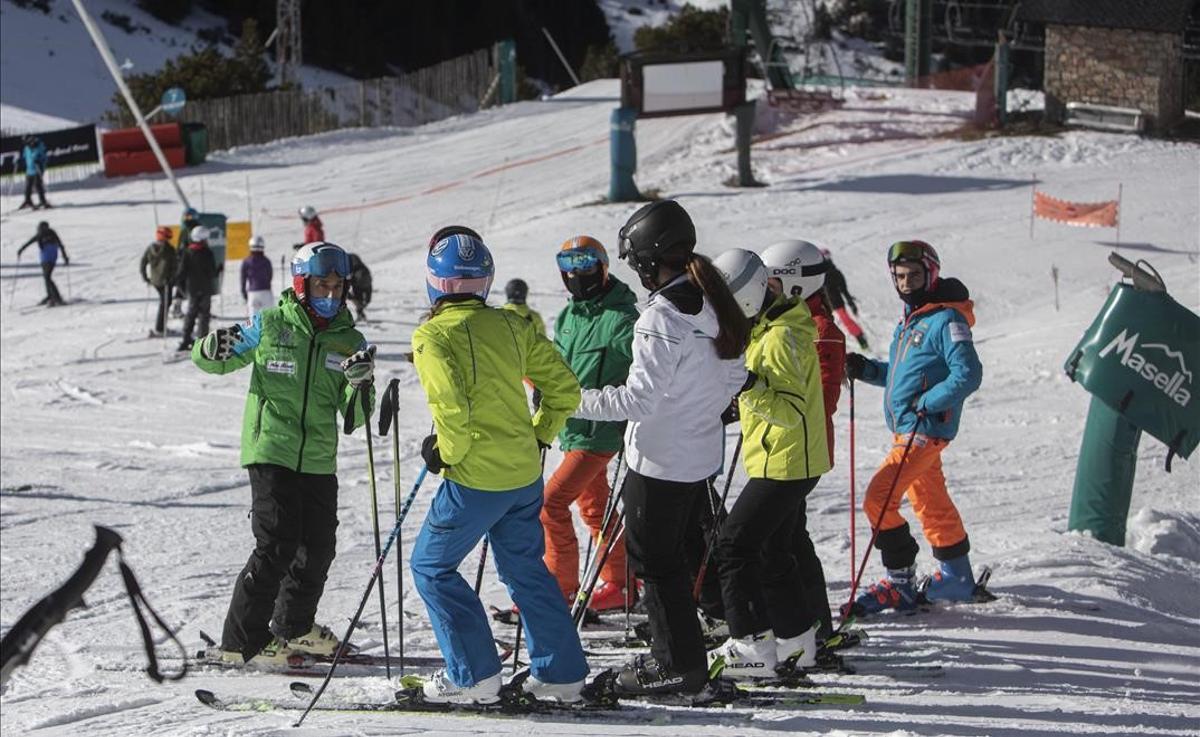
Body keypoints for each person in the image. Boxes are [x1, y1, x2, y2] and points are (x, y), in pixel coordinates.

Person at [572, 200, 750, 695]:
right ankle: (686, 650)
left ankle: (676, 663)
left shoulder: (663, 315)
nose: (638, 273)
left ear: (652, 258)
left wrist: (569, 399)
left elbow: (638, 400)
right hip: (696, 458)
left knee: (655, 562)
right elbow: (736, 375)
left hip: (658, 461)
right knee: (677, 556)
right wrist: (698, 412)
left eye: (637, 263)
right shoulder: (717, 301)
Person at [409, 229, 589, 704]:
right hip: (523, 475)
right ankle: (561, 675)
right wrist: (539, 433)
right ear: (484, 280)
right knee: (525, 569)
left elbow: (452, 412)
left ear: (435, 282)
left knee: (431, 566)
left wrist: (443, 452)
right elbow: (565, 389)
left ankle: (473, 676)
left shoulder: (432, 335)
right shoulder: (513, 323)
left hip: (474, 479)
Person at [191, 241, 375, 665]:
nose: (330, 295)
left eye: (337, 287)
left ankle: (294, 626)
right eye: (321, 286)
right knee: (277, 545)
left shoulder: (350, 340)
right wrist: (211, 346)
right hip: (271, 448)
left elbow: (353, 417)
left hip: (317, 457)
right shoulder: (270, 324)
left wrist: (362, 384)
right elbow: (211, 360)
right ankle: (242, 641)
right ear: (301, 283)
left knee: (319, 546)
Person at [704, 247, 832, 680]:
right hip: (781, 459)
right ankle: (798, 644)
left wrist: (748, 386)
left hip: (787, 462)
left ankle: (751, 646)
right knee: (775, 551)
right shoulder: (772, 328)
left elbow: (790, 411)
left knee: (733, 546)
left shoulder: (779, 337)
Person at [845, 240, 982, 614]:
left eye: (915, 275)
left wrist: (927, 404)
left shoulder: (946, 320)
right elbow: (903, 375)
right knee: (930, 502)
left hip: (923, 430)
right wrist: (869, 370)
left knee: (878, 499)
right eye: (900, 276)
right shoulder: (912, 319)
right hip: (909, 429)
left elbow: (968, 375)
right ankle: (957, 576)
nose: (906, 283)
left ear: (931, 274)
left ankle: (901, 583)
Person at [542, 236, 639, 611]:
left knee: (550, 504)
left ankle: (559, 585)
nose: (577, 275)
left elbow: (648, 372)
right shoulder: (569, 316)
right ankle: (621, 581)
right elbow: (558, 364)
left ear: (602, 268)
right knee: (595, 508)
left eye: (585, 266)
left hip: (600, 431)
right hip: (571, 429)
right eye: (569, 268)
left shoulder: (623, 320)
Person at [761, 239, 843, 641]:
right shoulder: (781, 322)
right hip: (783, 444)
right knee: (791, 535)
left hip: (801, 448)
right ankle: (812, 625)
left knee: (782, 539)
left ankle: (806, 627)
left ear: (794, 284)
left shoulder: (820, 330)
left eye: (771, 283)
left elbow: (822, 399)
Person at [174, 226, 218, 352]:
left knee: (191, 313)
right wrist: (218, 270)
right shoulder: (207, 253)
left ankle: (186, 338)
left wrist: (176, 280)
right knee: (204, 314)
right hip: (205, 289)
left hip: (192, 289)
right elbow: (212, 272)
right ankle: (202, 341)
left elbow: (182, 271)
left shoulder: (188, 252)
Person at [822, 250, 869, 350]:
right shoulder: (826, 273)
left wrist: (851, 303)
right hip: (828, 304)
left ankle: (861, 340)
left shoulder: (831, 273)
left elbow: (844, 290)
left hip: (835, 303)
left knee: (846, 322)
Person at [17, 221, 69, 306]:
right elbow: (30, 241)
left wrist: (65, 256)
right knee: (46, 277)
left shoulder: (51, 233)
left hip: (50, 258)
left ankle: (57, 298)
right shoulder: (43, 234)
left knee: (47, 277)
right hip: (45, 258)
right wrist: (21, 250)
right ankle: (50, 296)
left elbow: (60, 244)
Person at [141, 226, 177, 335]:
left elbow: (143, 262)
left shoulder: (150, 248)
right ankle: (160, 328)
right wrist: (173, 278)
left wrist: (145, 277)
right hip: (166, 281)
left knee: (165, 302)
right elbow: (175, 265)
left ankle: (161, 327)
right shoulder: (169, 249)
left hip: (155, 280)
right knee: (166, 303)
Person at [172, 208, 202, 318]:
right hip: (187, 261)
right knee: (183, 285)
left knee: (195, 286)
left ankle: (198, 308)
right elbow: (181, 246)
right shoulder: (186, 229)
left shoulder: (195, 229)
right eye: (186, 217)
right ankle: (177, 308)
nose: (187, 219)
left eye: (189, 217)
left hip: (192, 261)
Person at [241, 236, 274, 318]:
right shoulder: (266, 261)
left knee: (253, 319)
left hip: (252, 293)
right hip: (266, 292)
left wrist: (244, 293)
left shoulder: (246, 261)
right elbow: (270, 275)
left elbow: (243, 278)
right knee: (269, 318)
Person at [18, 135, 49, 210]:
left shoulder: (39, 145)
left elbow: (44, 156)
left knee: (38, 185)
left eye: (27, 141)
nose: (26, 143)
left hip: (38, 168)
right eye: (25, 142)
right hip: (29, 169)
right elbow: (25, 156)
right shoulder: (26, 147)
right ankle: (28, 201)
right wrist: (19, 160)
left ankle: (43, 201)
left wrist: (39, 160)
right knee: (28, 186)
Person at [347, 253, 372, 321]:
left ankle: (360, 314)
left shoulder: (354, 268)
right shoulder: (363, 268)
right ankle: (360, 314)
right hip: (365, 284)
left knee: (358, 301)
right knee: (363, 301)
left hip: (359, 284)